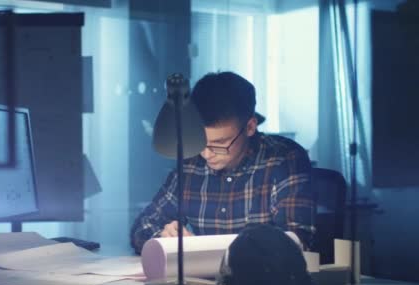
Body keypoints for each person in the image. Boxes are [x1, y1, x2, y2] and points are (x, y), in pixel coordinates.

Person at [130, 71, 314, 254]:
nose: (207, 154)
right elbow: (142, 227)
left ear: (250, 127)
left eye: (220, 144)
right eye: (201, 142)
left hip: (261, 279)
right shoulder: (191, 163)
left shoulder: (283, 159)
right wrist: (164, 237)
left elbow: (297, 240)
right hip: (204, 279)